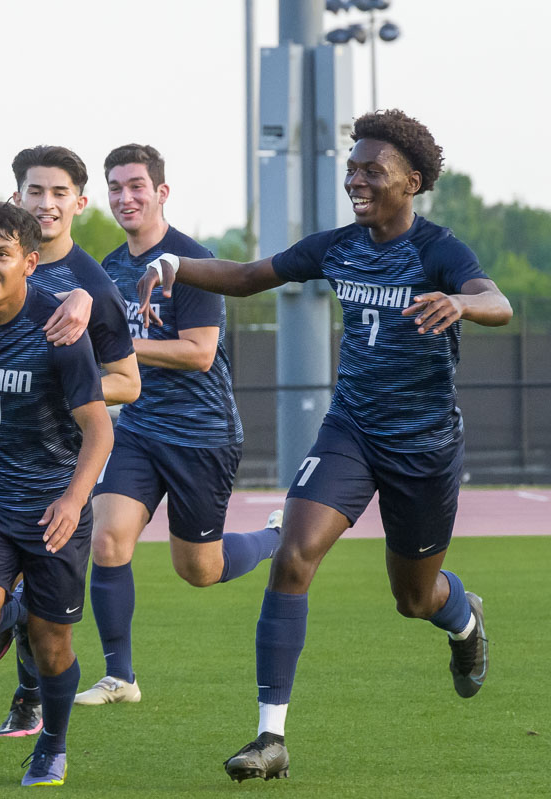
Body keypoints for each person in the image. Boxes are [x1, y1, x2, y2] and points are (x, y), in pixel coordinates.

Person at [138, 110, 511, 782]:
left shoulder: (439, 250)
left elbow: (496, 299)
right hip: (351, 431)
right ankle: (270, 737)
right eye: (354, 167)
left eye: (374, 170)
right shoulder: (336, 246)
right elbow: (252, 275)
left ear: (414, 181)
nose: (356, 179)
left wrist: (461, 304)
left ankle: (462, 615)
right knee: (295, 552)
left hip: (423, 449)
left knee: (413, 597)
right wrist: (177, 264)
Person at [0, 144, 138, 739]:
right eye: (34, 191)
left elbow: (128, 384)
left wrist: (63, 378)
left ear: (78, 202)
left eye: (58, 192)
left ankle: (31, 698)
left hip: (50, 462)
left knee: (51, 630)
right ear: (17, 197)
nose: (45, 202)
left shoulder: (91, 287)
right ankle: (11, 606)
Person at [74, 144, 282, 708]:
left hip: (203, 434)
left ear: (161, 192)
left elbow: (199, 353)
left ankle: (274, 539)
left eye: (136, 185)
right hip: (139, 429)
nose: (125, 197)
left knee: (199, 568)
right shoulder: (110, 268)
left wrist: (121, 348)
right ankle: (120, 676)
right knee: (108, 537)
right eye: (115, 187)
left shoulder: (193, 261)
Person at [0, 200, 113, 787]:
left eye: (1, 255)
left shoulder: (60, 328)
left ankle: (53, 746)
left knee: (52, 644)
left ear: (29, 262)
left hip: (52, 507)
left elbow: (100, 430)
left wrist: (71, 501)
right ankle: (9, 609)